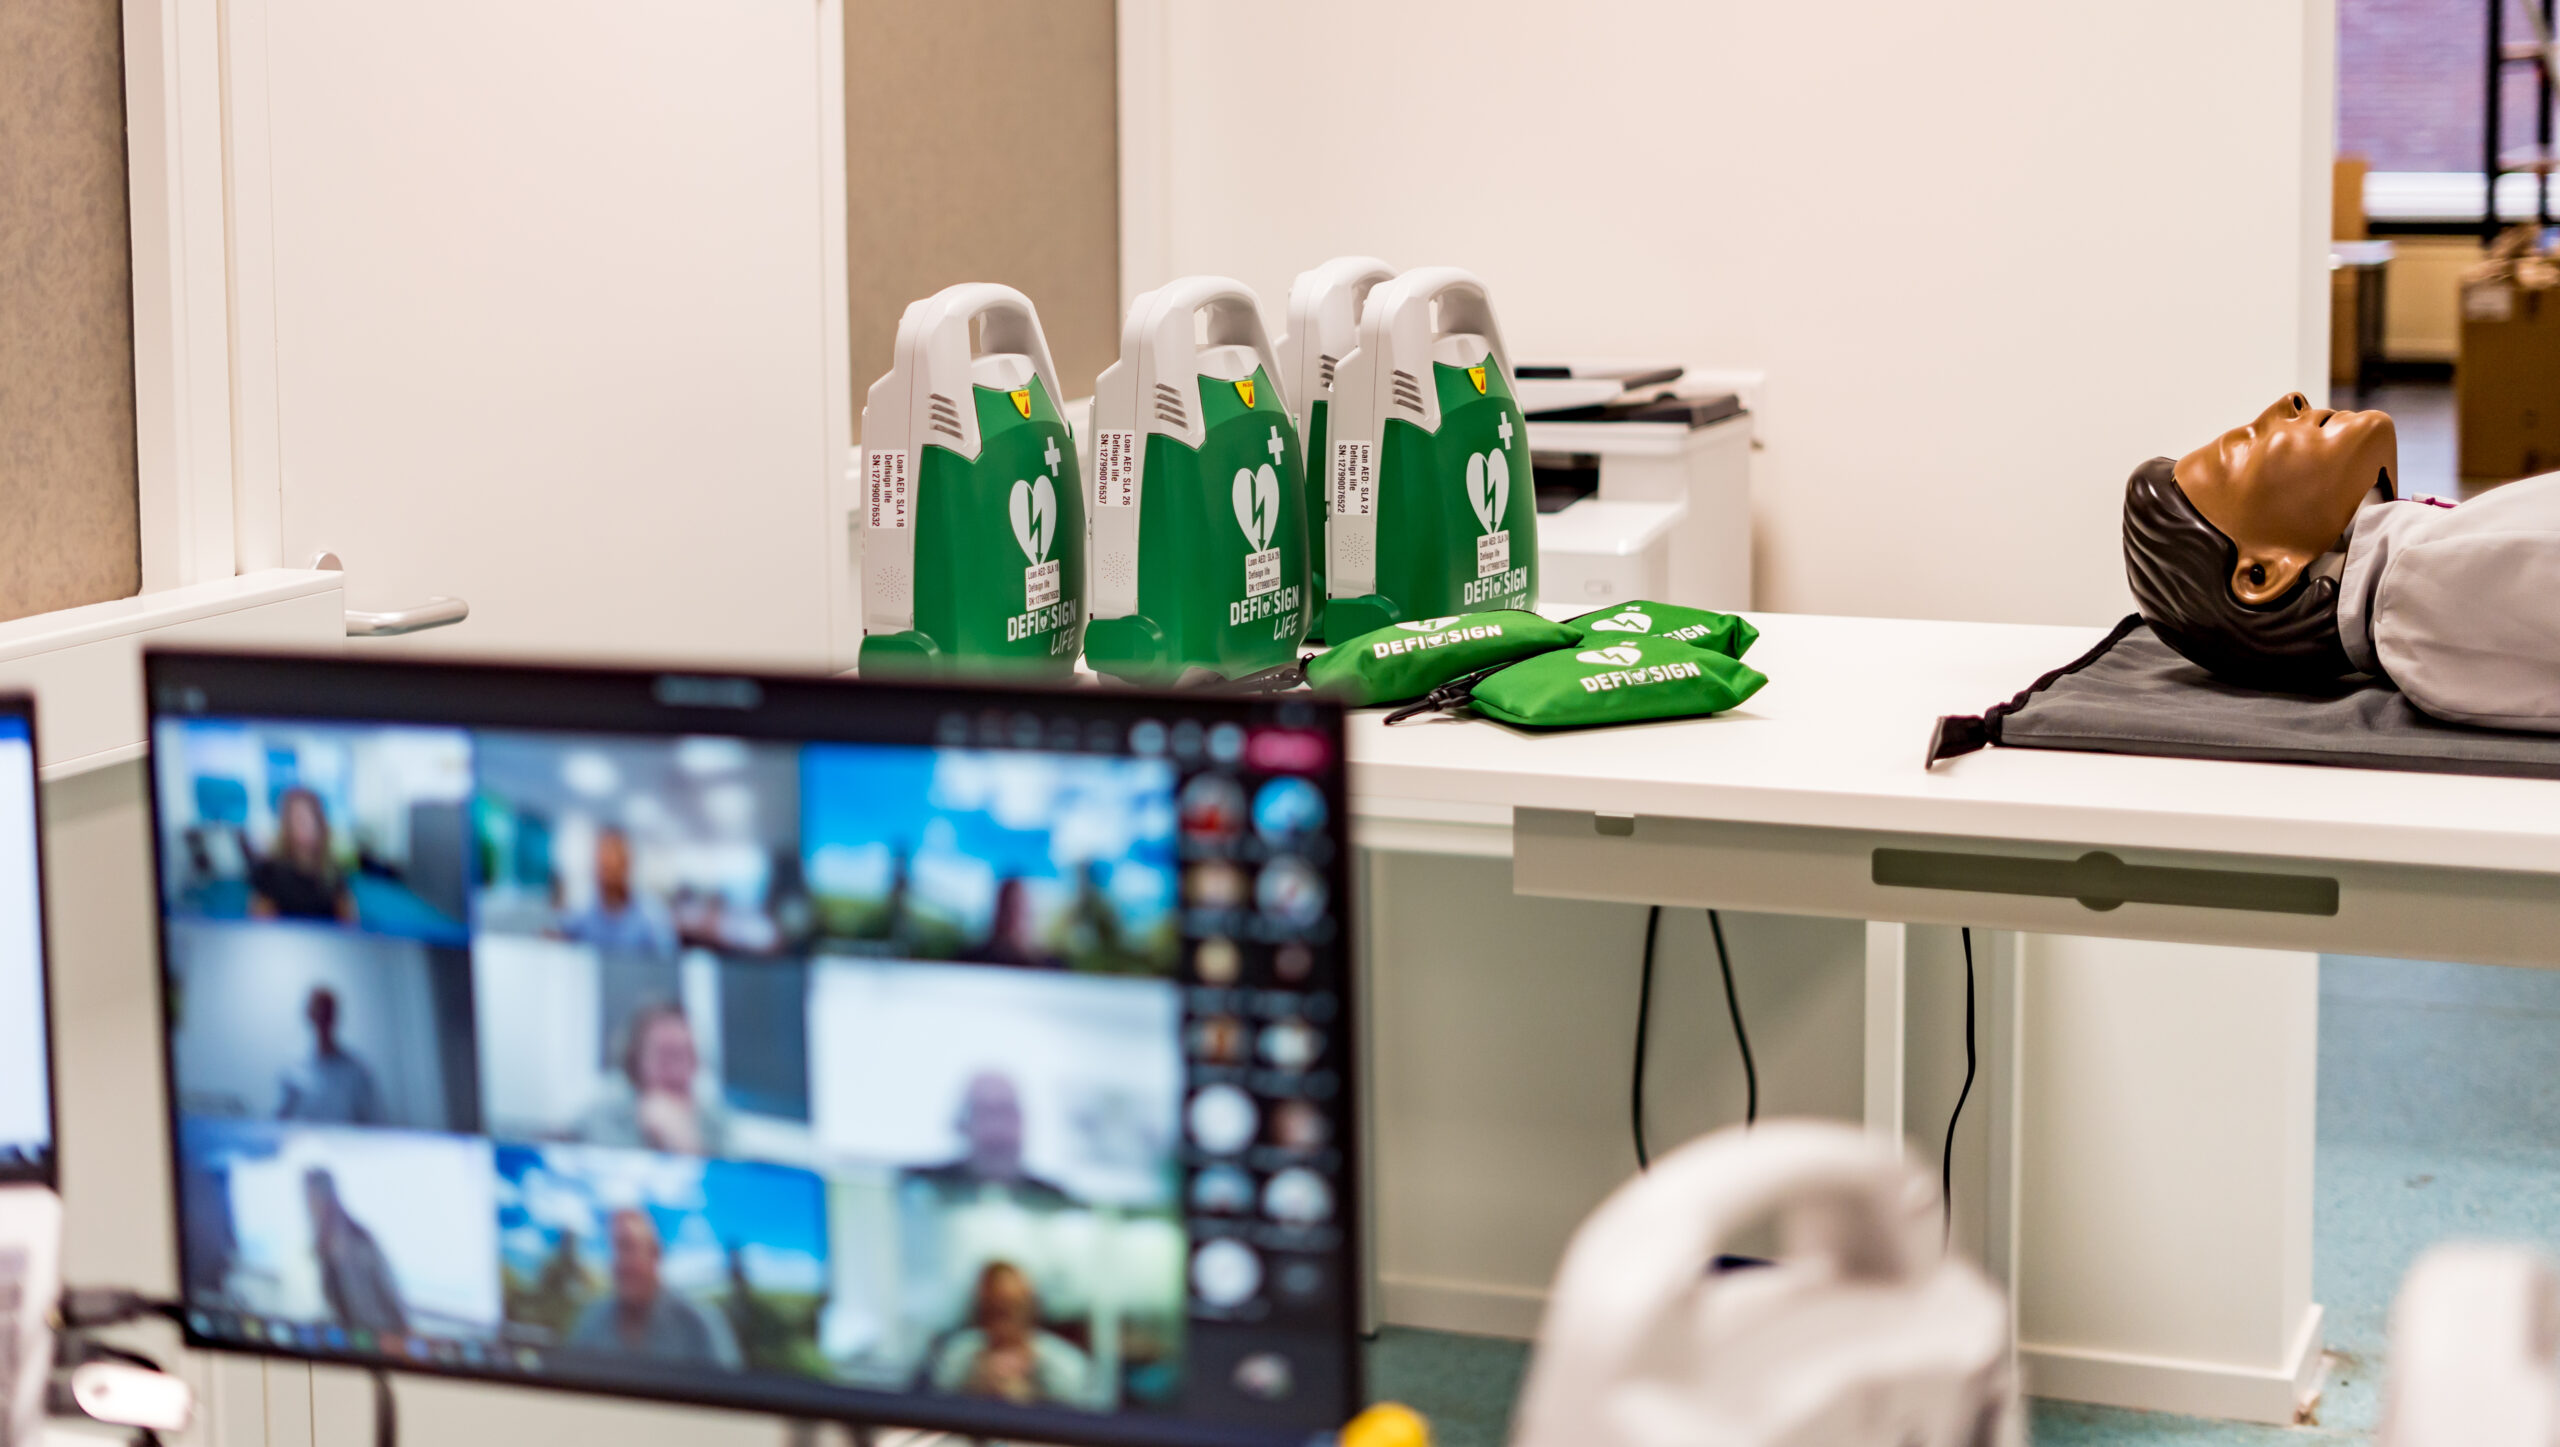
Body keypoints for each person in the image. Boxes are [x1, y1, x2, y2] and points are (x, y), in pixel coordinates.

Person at [2126, 392, 2560, 730]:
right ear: (2262, 574)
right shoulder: (2426, 584)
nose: (2291, 401)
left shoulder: (2420, 574)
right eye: (2243, 445)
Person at [566, 1208, 742, 1367]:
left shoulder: (701, 1324)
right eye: (613, 1249)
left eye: (627, 1247)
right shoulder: (592, 1320)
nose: (619, 1262)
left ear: (655, 1254)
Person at [926, 1261, 1095, 1407]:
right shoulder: (957, 1357)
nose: (1002, 1321)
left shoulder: (1066, 1364)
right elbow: (938, 1405)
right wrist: (975, 1386)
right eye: (994, 1309)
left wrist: (1030, 1396)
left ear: (1031, 1307)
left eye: (1011, 1307)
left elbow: (1079, 1417)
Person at [577, 1000, 730, 1156]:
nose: (676, 1071)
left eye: (686, 1055)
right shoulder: (604, 1117)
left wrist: (683, 1139)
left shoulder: (715, 1124)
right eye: (666, 1056)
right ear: (636, 1061)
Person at [909, 1072, 1072, 1208]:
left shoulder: (1057, 1204)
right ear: (961, 1125)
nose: (998, 1130)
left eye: (1007, 1114)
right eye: (986, 1114)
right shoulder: (914, 1188)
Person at [304, 1169, 408, 1335]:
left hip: (376, 1333)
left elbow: (387, 1290)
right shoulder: (323, 1243)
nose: (309, 1203)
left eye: (312, 1195)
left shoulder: (357, 1239)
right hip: (351, 1333)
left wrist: (402, 1329)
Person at [557, 827, 676, 956]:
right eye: (602, 865)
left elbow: (667, 960)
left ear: (627, 864)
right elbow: (564, 944)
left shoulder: (651, 915)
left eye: (612, 866)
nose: (605, 873)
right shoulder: (581, 912)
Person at [276, 986, 384, 1125]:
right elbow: (279, 1122)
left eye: (326, 1014)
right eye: (318, 1013)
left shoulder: (357, 1071)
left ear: (335, 1017)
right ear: (309, 1016)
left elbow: (374, 1121)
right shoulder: (292, 1071)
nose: (322, 1020)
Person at [248, 786, 355, 923]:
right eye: (297, 817)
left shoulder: (335, 872)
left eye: (309, 816)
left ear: (320, 822)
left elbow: (349, 924)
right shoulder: (269, 871)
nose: (304, 823)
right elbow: (259, 924)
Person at [957, 878, 1058, 968]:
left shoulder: (1051, 968)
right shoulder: (970, 962)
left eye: (1020, 910)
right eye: (1008, 910)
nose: (1014, 919)